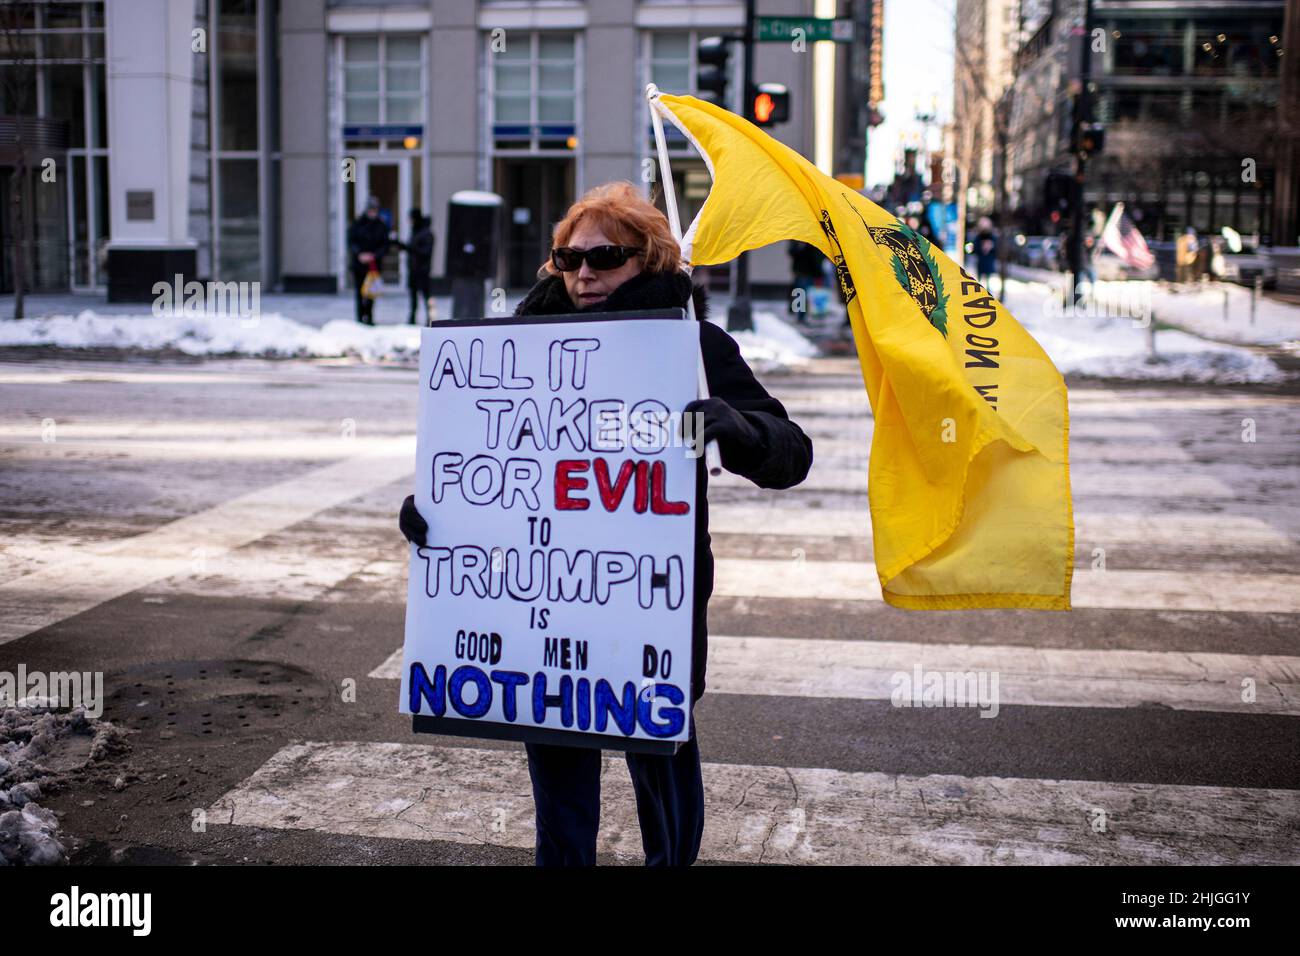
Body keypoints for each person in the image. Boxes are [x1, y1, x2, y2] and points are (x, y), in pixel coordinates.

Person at [397, 181, 814, 866]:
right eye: (568, 259)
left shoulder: (692, 347)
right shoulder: (516, 351)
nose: (583, 274)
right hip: (539, 610)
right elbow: (485, 468)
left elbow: (790, 455)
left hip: (646, 607)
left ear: (647, 260)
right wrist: (434, 515)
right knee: (559, 802)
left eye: (605, 257)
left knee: (662, 778)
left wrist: (738, 428)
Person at [347, 197, 390, 324]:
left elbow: (385, 244)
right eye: (371, 210)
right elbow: (351, 241)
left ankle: (369, 317)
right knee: (359, 292)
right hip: (359, 264)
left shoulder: (381, 226)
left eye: (375, 210)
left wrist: (374, 256)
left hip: (373, 265)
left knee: (371, 293)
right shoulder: (357, 224)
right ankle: (360, 317)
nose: (373, 212)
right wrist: (360, 254)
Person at [394, 208, 435, 325]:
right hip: (413, 269)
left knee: (427, 297)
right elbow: (413, 249)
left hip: (423, 270)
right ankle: (412, 318)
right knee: (413, 297)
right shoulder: (415, 231)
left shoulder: (426, 233)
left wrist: (409, 248)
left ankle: (430, 318)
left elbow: (425, 252)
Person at [973, 217, 998, 293]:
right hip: (981, 261)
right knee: (980, 280)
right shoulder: (978, 237)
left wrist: (991, 247)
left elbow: (996, 249)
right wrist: (982, 248)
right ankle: (979, 292)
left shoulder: (992, 237)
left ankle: (987, 292)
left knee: (988, 280)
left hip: (988, 261)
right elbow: (975, 249)